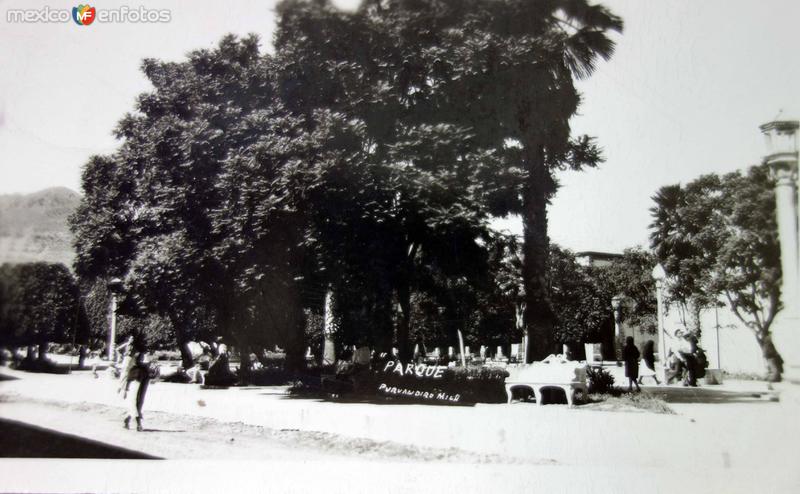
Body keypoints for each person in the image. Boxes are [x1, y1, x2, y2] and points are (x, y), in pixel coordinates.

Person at [122, 341, 152, 431]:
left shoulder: (144, 367)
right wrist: (124, 388)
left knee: (139, 401)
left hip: (142, 381)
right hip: (135, 380)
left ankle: (127, 419)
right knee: (134, 401)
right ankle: (138, 423)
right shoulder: (133, 363)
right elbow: (127, 374)